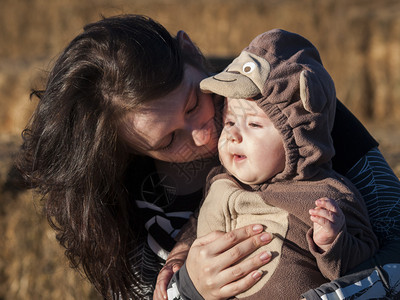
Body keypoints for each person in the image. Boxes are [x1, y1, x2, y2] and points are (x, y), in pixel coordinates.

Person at [15, 14, 399, 300]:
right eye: (168, 142)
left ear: (190, 50)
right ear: (125, 153)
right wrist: (189, 289)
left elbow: (395, 229)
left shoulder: (279, 97)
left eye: (194, 102)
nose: (206, 133)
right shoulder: (118, 200)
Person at [192, 29, 379, 299]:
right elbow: (194, 228)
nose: (233, 134)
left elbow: (369, 266)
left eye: (254, 124)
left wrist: (332, 242)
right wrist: (181, 257)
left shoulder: (325, 196)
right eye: (230, 122)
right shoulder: (218, 181)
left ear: (299, 135)